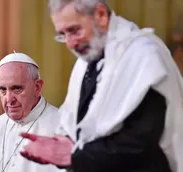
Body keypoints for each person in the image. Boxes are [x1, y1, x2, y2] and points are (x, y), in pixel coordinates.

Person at [20, 0, 183, 172]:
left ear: (101, 15)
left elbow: (139, 142)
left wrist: (74, 157)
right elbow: (77, 123)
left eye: (74, 31)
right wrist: (61, 141)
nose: (70, 44)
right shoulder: (88, 58)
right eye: (62, 34)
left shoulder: (144, 56)